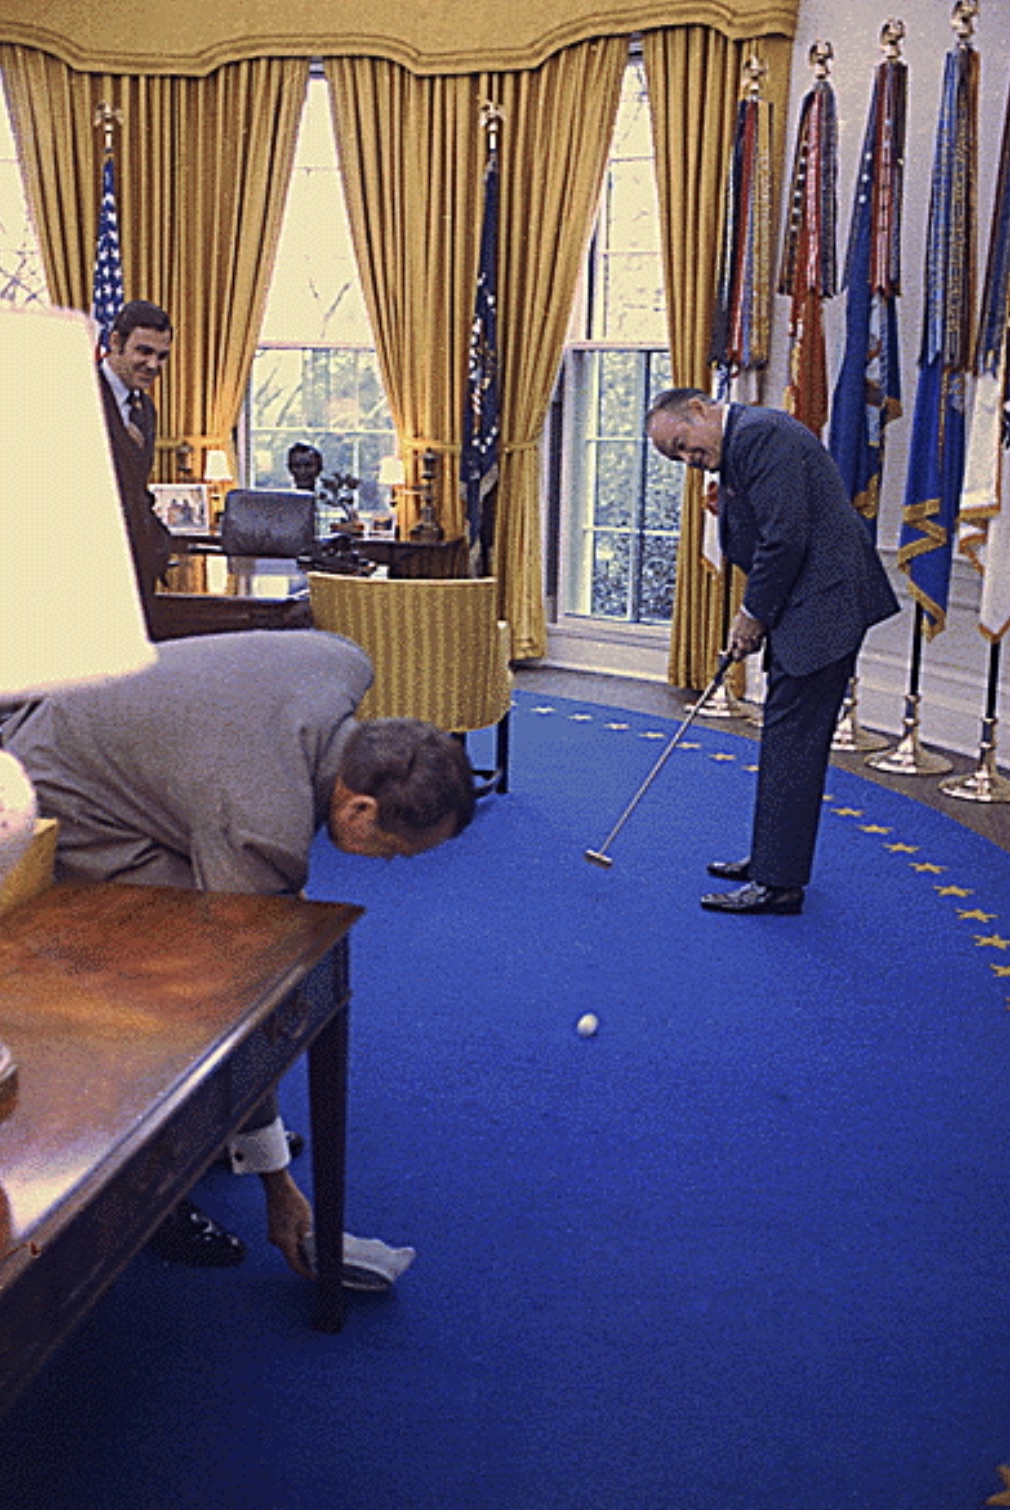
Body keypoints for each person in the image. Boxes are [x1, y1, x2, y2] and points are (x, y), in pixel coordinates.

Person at [3, 629, 475, 1283]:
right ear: (361, 807)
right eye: (392, 850)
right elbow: (245, 1008)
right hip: (57, 786)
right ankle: (150, 1186)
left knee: (237, 920)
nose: (388, 864)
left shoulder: (340, 661)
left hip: (99, 736)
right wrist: (276, 1180)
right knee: (180, 979)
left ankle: (213, 1130)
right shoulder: (261, 822)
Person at [646, 388, 900, 916]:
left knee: (793, 745)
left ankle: (779, 884)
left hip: (825, 604)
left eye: (684, 445)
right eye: (677, 458)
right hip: (804, 603)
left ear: (700, 410)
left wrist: (751, 615)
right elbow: (764, 535)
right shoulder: (740, 447)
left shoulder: (761, 435)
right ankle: (769, 861)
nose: (689, 460)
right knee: (785, 739)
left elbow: (785, 538)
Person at [97, 300, 175, 630]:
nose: (153, 364)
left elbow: (135, 490)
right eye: (143, 351)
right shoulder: (77, 397)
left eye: (162, 356)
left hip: (137, 573)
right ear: (115, 342)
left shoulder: (146, 409)